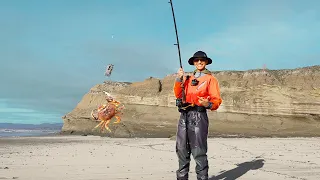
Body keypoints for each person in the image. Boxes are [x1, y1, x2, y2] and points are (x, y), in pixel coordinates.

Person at [173, 50, 222, 180]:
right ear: (193, 63)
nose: (199, 62)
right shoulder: (188, 79)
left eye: (202, 60)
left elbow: (216, 100)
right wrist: (179, 79)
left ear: (206, 62)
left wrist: (208, 104)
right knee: (181, 150)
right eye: (196, 60)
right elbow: (178, 95)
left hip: (199, 116)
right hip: (184, 115)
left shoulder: (211, 79)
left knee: (198, 151)